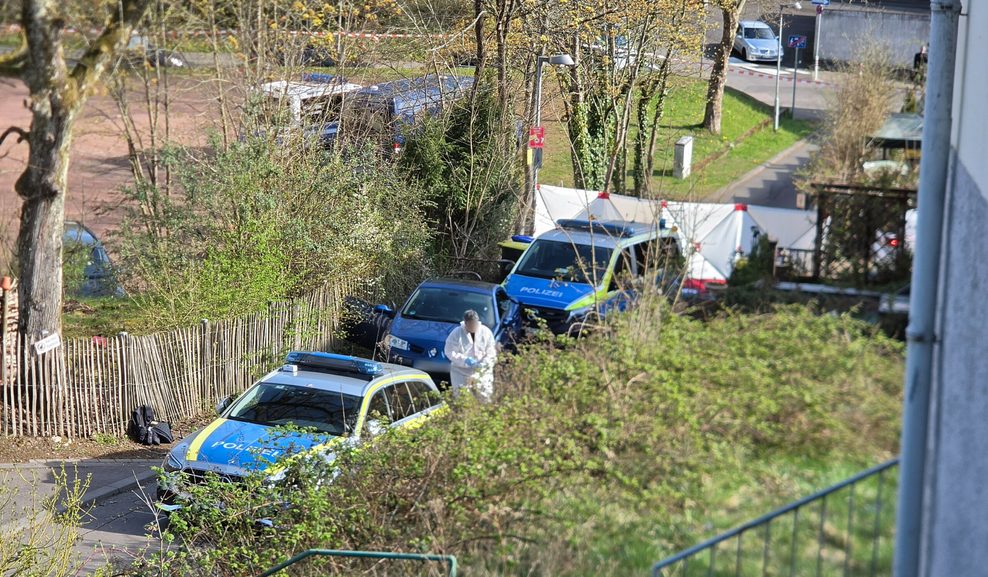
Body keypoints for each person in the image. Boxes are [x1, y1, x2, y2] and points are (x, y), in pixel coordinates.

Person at [444, 309, 497, 401]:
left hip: (482, 371)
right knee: (462, 399)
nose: (473, 326)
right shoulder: (457, 333)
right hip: (461, 372)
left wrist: (484, 363)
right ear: (465, 323)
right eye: (470, 324)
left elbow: (491, 351)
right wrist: (465, 360)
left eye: (474, 324)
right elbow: (449, 351)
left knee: (485, 397)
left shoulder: (486, 332)